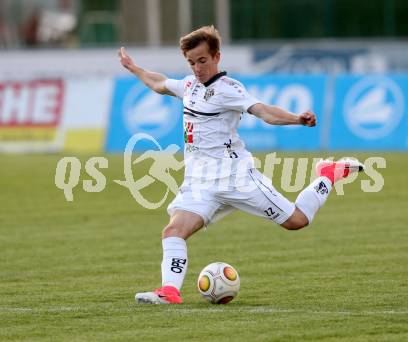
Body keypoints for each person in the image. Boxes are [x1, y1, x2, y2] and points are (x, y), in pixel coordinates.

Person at [118, 25, 364, 305]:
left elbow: (264, 112)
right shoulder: (189, 86)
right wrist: (133, 68)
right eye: (191, 62)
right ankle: (169, 292)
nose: (197, 68)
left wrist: (297, 118)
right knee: (173, 231)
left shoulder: (228, 90)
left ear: (217, 56)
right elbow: (159, 83)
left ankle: (327, 175)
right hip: (201, 182)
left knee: (297, 221)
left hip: (237, 178)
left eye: (202, 60)